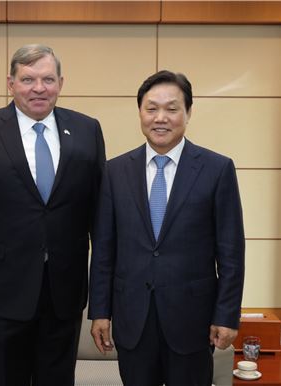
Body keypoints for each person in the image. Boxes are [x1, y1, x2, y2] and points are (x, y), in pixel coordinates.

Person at [0, 44, 106, 385]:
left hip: (65, 289)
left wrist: (103, 298)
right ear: (11, 83)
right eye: (28, 79)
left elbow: (100, 218)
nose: (38, 88)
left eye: (48, 79)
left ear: (61, 83)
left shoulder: (87, 130)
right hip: (1, 289)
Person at [89, 70, 245, 386]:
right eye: (151, 108)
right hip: (133, 319)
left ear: (188, 112)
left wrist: (226, 315)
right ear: (140, 113)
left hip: (192, 320)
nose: (161, 118)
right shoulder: (115, 171)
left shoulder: (217, 169)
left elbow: (231, 251)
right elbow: (104, 249)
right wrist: (100, 312)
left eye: (172, 108)